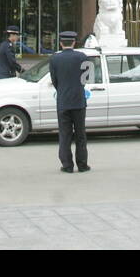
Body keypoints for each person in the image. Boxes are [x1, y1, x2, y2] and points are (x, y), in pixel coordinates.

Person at [48, 29, 90, 174]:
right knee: (80, 135)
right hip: (79, 101)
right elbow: (86, 79)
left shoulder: (54, 59)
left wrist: (63, 90)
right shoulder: (83, 57)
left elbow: (54, 81)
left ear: (60, 43)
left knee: (64, 135)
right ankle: (83, 165)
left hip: (63, 102)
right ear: (74, 42)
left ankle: (67, 165)